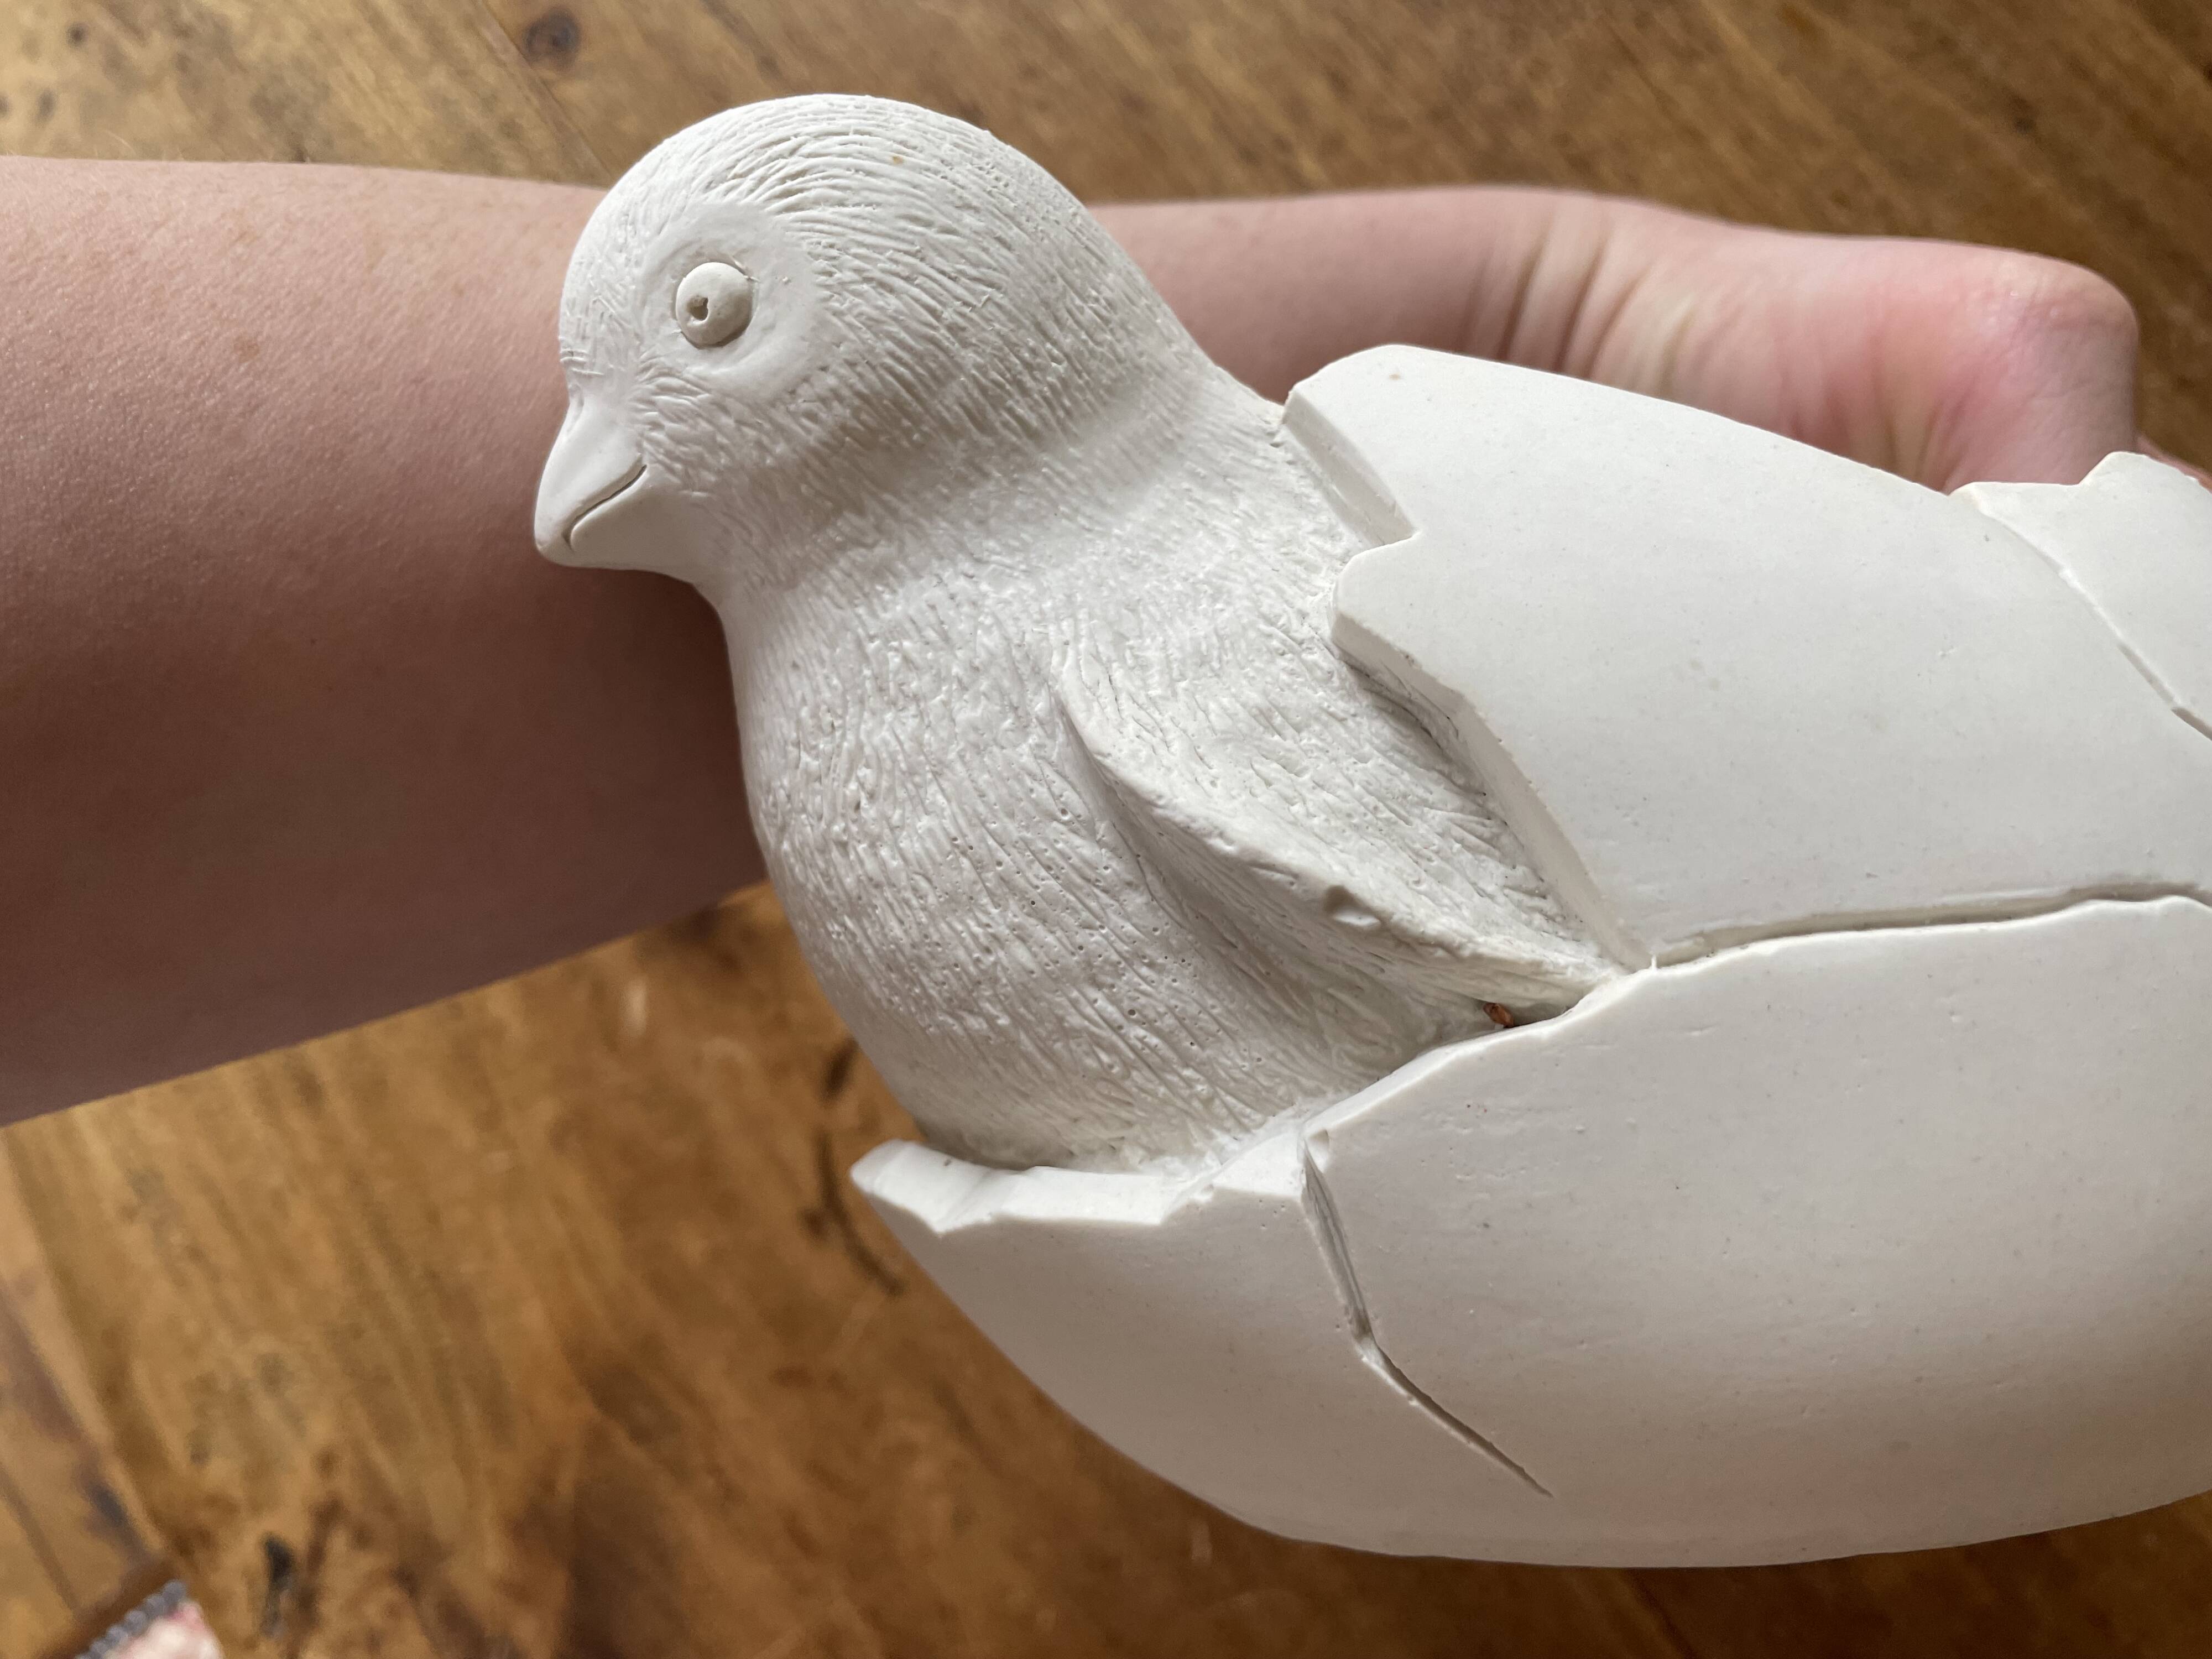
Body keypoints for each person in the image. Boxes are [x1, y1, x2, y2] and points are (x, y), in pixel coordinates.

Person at [2, 159, 2197, 1124]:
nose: (590, 468)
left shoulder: (1173, 631)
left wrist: (1540, 319)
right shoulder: (869, 655)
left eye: (705, 327)